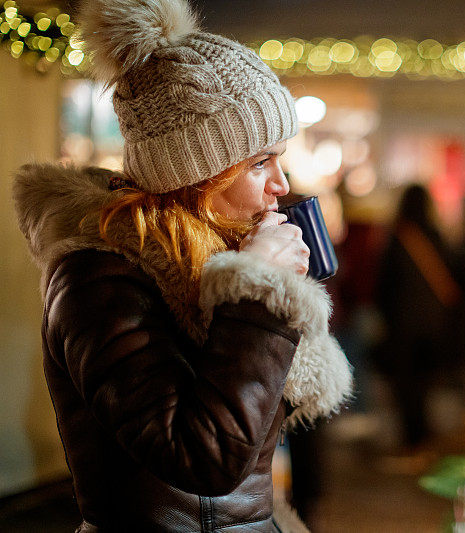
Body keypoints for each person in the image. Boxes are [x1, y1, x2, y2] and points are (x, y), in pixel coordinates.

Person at [12, 0, 352, 531]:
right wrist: (259, 296)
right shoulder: (99, 279)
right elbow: (202, 457)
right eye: (260, 162)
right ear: (195, 171)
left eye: (280, 159)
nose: (281, 185)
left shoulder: (215, 256)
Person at [375, 185, 460, 456]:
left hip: (403, 330)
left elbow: (384, 286)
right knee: (424, 388)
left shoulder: (399, 237)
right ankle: (424, 439)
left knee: (406, 390)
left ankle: (415, 443)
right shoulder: (437, 236)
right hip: (434, 328)